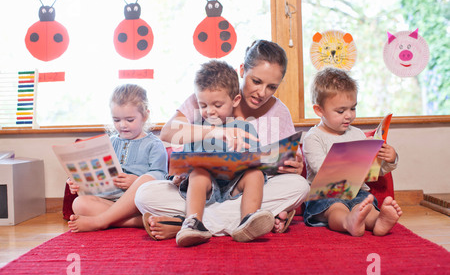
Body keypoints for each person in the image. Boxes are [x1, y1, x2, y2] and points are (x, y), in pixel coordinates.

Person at [136, 40, 310, 240]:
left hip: (245, 191)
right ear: (243, 70)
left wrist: (292, 166)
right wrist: (213, 132)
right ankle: (247, 222)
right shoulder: (209, 94)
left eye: (272, 87)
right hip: (203, 188)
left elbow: (278, 165)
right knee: (144, 195)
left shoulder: (279, 112)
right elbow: (168, 133)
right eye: (256, 81)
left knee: (299, 186)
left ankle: (186, 223)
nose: (262, 93)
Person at [174, 60, 272, 247]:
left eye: (217, 105)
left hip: (235, 184)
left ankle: (248, 220)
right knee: (197, 174)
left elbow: (256, 160)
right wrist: (179, 175)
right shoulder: (195, 129)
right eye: (203, 105)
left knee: (255, 174)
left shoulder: (244, 127)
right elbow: (185, 161)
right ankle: (193, 222)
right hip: (207, 187)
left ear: (235, 100)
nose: (210, 111)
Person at [302, 67, 402, 237]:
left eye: (353, 108)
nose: (348, 115)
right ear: (319, 110)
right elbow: (321, 169)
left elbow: (372, 172)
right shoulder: (313, 138)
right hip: (326, 193)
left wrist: (388, 159)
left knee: (365, 206)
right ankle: (347, 221)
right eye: (341, 111)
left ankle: (379, 220)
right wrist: (355, 161)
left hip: (356, 191)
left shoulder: (356, 134)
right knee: (336, 209)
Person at [67, 84, 167, 232]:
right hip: (108, 200)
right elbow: (95, 169)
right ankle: (134, 222)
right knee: (78, 203)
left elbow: (161, 176)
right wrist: (77, 181)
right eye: (117, 120)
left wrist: (135, 181)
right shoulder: (110, 142)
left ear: (145, 116)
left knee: (146, 181)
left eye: (130, 120)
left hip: (137, 203)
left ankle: (102, 221)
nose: (122, 125)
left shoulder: (154, 144)